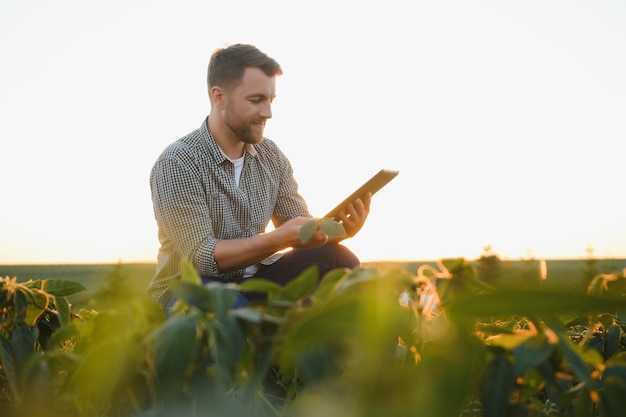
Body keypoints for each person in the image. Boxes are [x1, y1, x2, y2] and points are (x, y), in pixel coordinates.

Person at [148, 43, 371, 312]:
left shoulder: (271, 155)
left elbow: (298, 224)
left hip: (255, 280)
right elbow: (201, 258)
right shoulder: (178, 162)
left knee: (338, 259)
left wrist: (339, 231)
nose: (268, 113)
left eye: (270, 100)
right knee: (225, 303)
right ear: (219, 97)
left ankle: (353, 350)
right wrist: (278, 239)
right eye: (256, 100)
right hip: (189, 288)